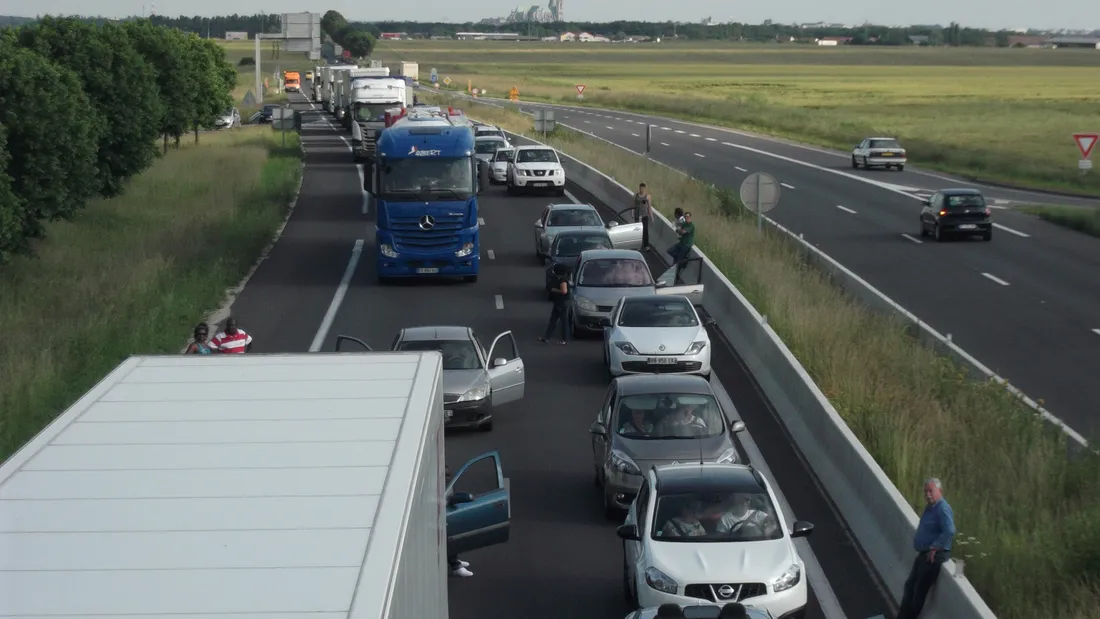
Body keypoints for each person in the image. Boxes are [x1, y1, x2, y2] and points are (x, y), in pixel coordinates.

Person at [896, 477, 956, 619]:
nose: (928, 494)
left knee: (918, 591)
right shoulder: (931, 507)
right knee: (910, 586)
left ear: (939, 491)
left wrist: (935, 547)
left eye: (931, 491)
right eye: (926, 491)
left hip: (933, 556)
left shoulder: (943, 508)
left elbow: (950, 530)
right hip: (924, 554)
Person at [444, 464, 473, 577]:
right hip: (443, 518)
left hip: (449, 515)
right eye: (446, 475)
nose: (448, 477)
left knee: (452, 539)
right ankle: (455, 566)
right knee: (449, 541)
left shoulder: (447, 485)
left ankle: (455, 561)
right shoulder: (441, 486)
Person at [538, 263, 570, 345]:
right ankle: (546, 338)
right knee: (553, 321)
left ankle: (565, 340)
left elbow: (564, 291)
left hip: (561, 304)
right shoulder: (558, 278)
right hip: (557, 303)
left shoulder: (563, 280)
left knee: (563, 322)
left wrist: (554, 290)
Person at [633, 182, 652, 250]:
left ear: (645, 189)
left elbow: (649, 207)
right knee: (638, 231)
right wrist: (632, 213)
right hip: (637, 215)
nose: (641, 190)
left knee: (645, 230)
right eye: (640, 188)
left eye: (642, 189)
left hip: (645, 215)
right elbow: (633, 205)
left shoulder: (648, 196)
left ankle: (646, 245)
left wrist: (651, 216)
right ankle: (638, 245)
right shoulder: (636, 195)